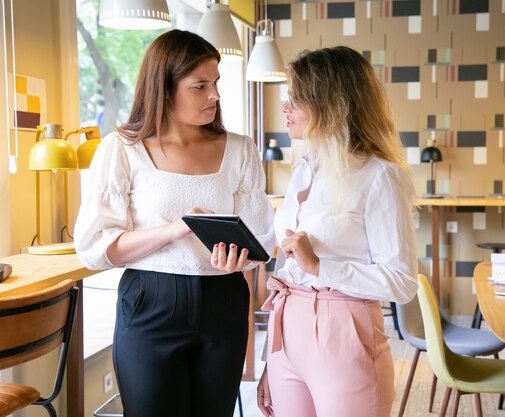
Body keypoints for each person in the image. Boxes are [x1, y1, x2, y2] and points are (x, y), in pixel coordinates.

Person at [74, 29, 274, 417]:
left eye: (215, 83)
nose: (214, 95)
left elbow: (260, 235)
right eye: (200, 86)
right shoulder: (122, 149)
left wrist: (244, 259)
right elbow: (97, 247)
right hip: (150, 302)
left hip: (224, 302)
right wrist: (177, 228)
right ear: (164, 89)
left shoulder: (240, 150)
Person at [256, 46, 419, 417]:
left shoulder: (380, 177)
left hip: (344, 331)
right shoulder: (303, 170)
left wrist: (320, 267)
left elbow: (402, 282)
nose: (285, 107)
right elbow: (288, 266)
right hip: (287, 329)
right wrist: (271, 360)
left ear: (333, 104)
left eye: (296, 99)